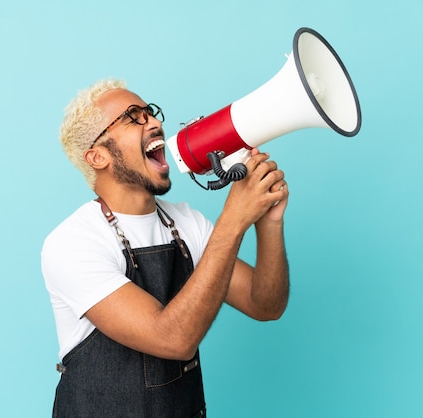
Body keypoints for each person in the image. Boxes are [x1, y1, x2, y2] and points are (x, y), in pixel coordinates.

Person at [41, 77, 290, 418]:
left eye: (151, 112)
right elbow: (173, 339)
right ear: (97, 156)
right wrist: (233, 221)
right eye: (133, 117)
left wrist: (268, 221)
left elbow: (265, 305)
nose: (156, 122)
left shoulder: (187, 222)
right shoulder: (73, 242)